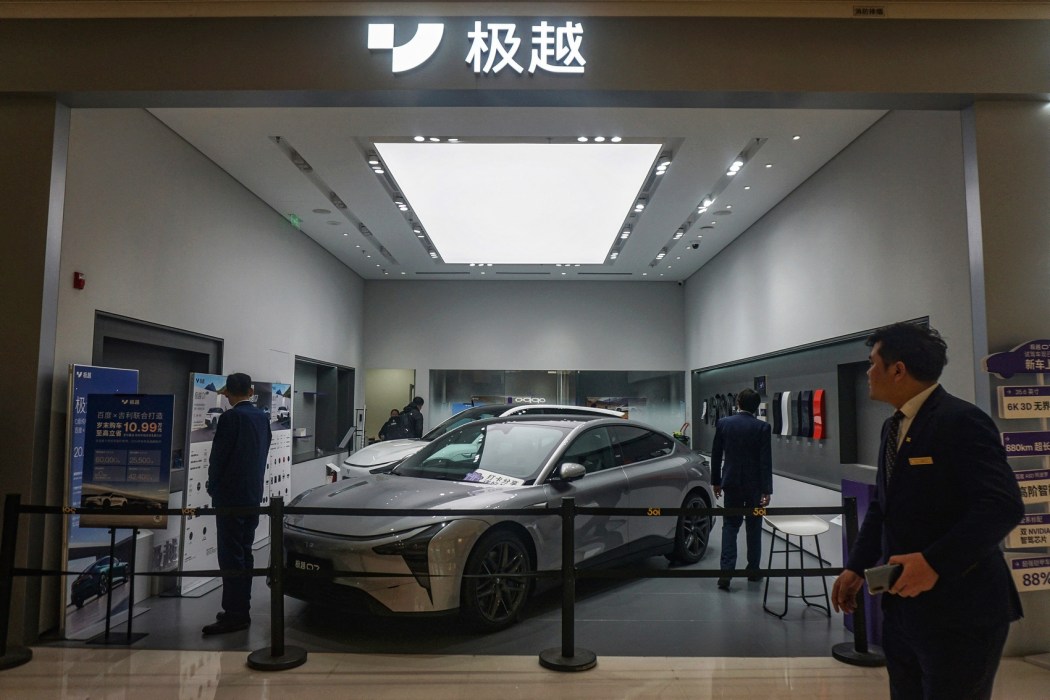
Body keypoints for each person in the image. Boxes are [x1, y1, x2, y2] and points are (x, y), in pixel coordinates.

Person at [831, 322, 1025, 700]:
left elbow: (1002, 505)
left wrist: (935, 562)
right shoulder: (893, 428)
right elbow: (883, 509)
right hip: (904, 611)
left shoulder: (961, 421)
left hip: (961, 613)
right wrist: (857, 566)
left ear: (898, 369)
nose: (868, 372)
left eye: (873, 363)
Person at [203, 372, 272, 635]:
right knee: (245, 550)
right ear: (251, 391)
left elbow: (218, 458)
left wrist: (213, 486)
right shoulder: (262, 417)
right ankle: (241, 608)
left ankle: (235, 613)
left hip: (230, 496)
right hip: (252, 494)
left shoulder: (231, 418)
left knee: (230, 555)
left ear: (229, 393)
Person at [711, 387, 772, 590]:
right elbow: (765, 462)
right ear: (756, 407)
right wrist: (767, 490)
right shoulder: (762, 428)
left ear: (738, 403)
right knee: (754, 528)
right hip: (754, 485)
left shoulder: (724, 424)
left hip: (731, 483)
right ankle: (753, 571)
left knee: (730, 526)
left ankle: (725, 574)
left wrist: (716, 481)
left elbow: (717, 455)